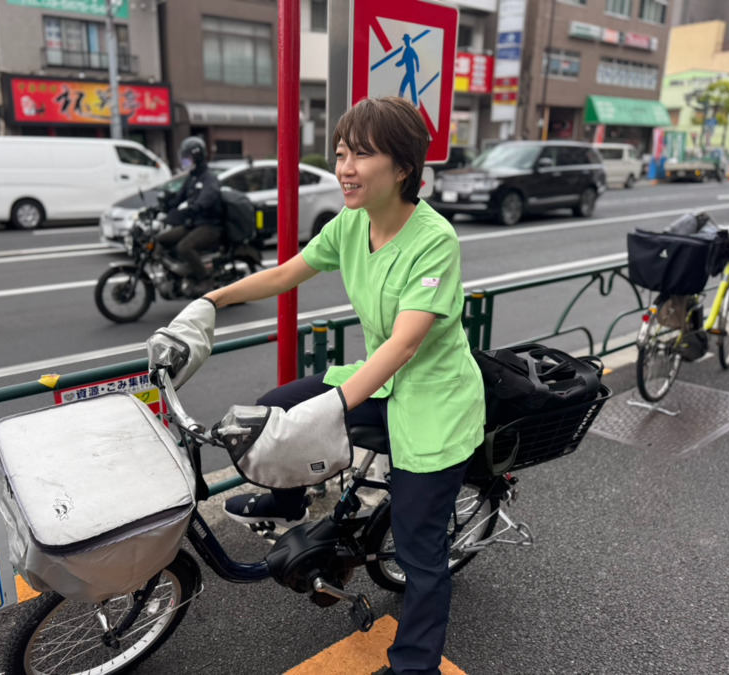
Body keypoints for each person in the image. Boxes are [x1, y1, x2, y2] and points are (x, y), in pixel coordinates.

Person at [147, 96, 486, 675]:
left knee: (419, 552)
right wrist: (208, 301)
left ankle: (414, 665)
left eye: (363, 154)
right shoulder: (351, 224)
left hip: (434, 399)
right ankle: (287, 497)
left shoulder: (434, 240)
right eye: (340, 153)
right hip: (380, 379)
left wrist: (331, 407)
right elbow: (285, 274)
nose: (345, 167)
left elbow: (406, 344)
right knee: (275, 408)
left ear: (403, 167)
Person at [157, 136, 223, 294]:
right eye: (184, 159)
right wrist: (162, 206)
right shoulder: (192, 178)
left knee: (184, 247)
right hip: (193, 223)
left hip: (210, 225)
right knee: (161, 238)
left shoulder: (209, 178)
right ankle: (177, 271)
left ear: (198, 157)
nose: (185, 163)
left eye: (188, 159)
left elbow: (206, 200)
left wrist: (189, 209)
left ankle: (204, 278)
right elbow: (178, 198)